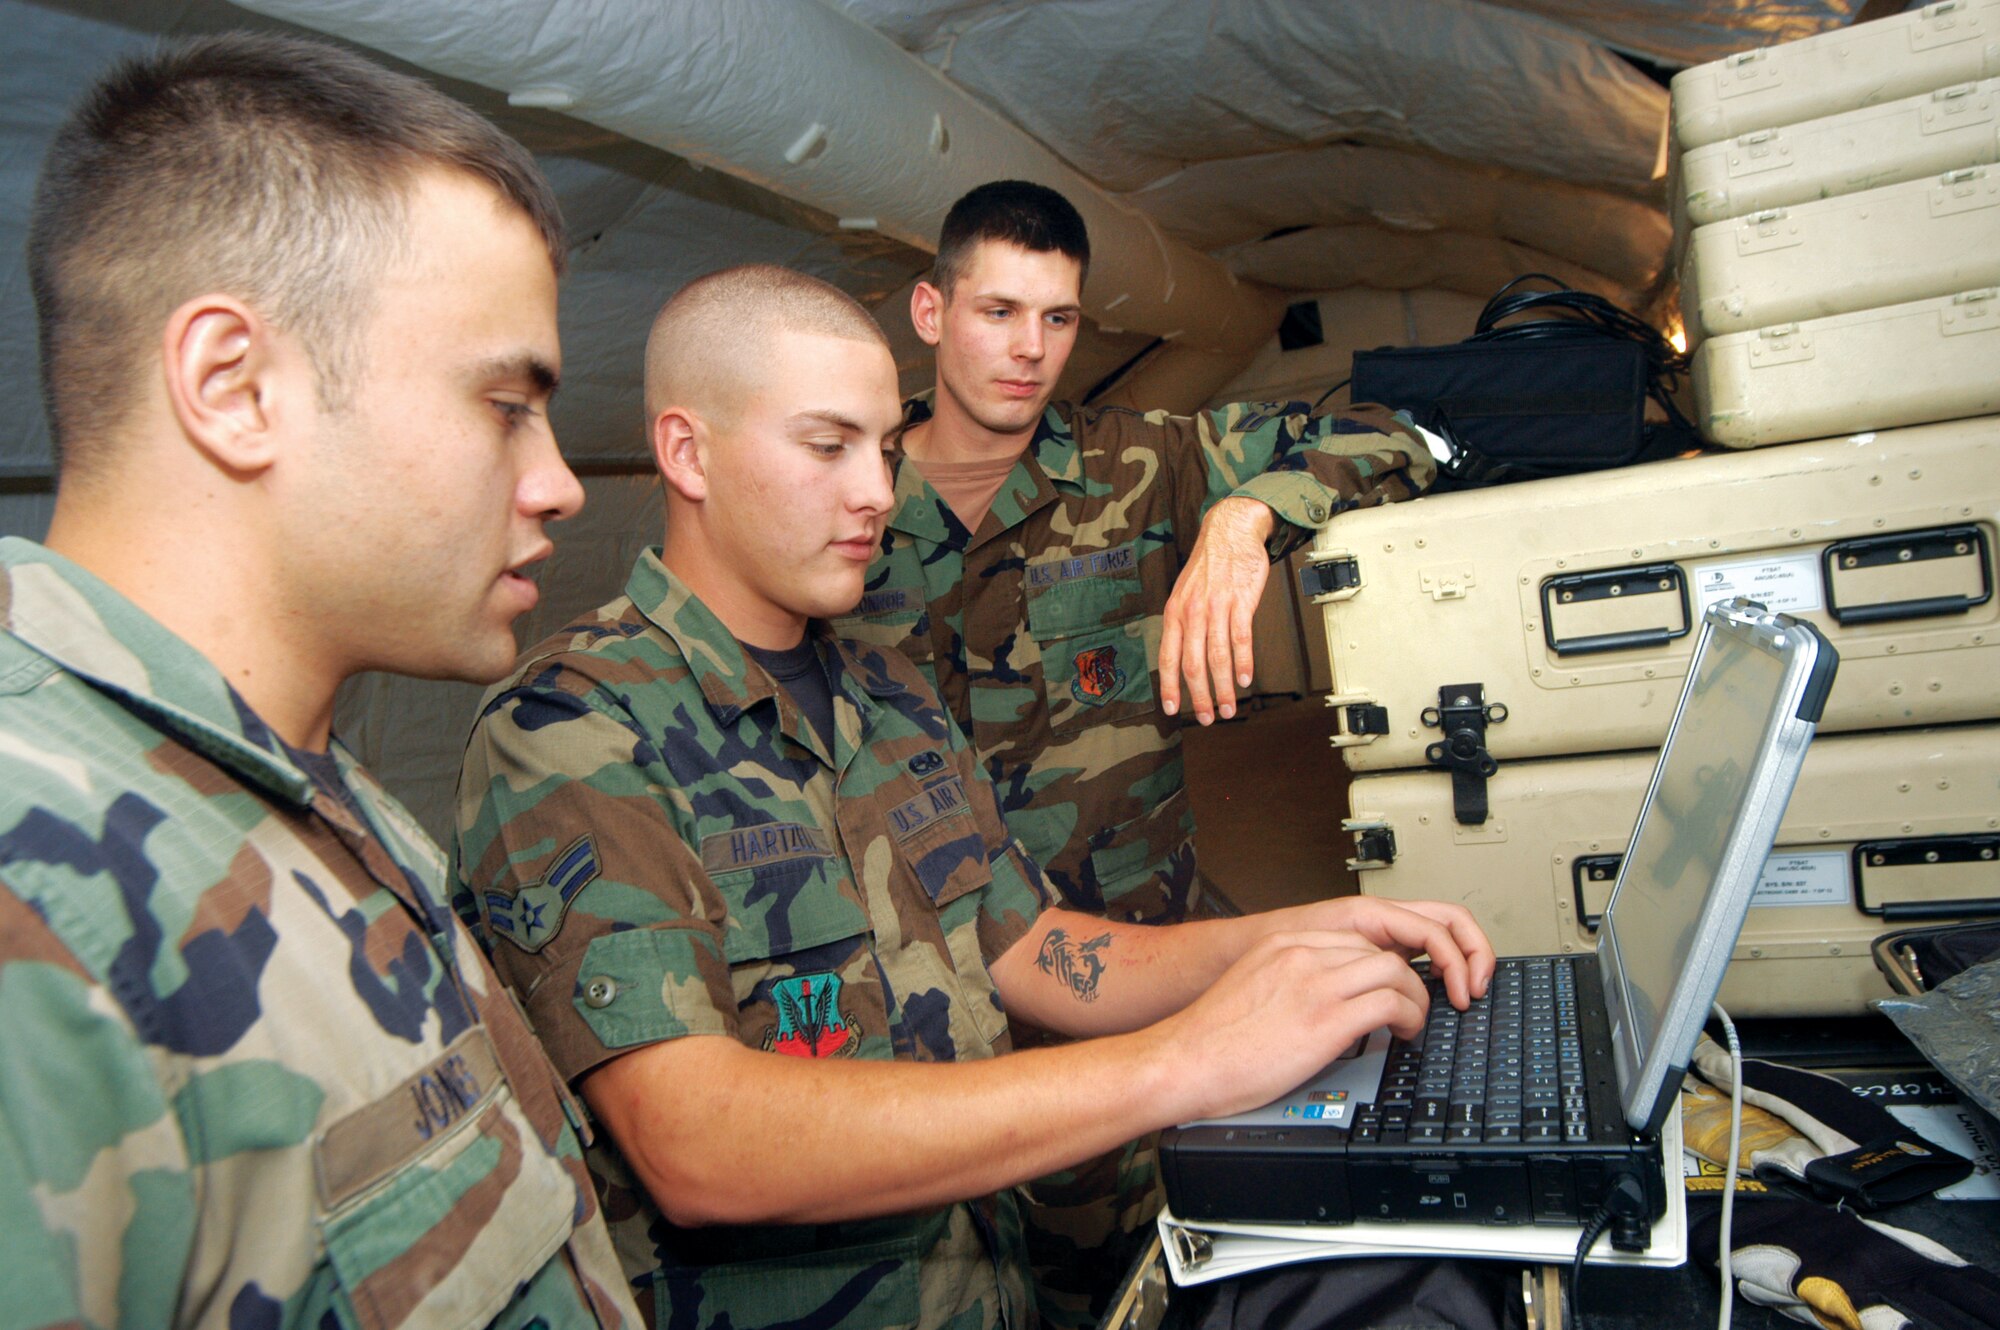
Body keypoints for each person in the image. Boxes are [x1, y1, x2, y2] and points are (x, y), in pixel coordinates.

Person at [453, 264, 1494, 1330]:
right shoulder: (569, 729)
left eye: (882, 449)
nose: (874, 491)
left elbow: (1032, 949)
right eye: (827, 447)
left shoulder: (885, 688)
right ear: (686, 453)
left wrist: (1289, 938)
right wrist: (1188, 1060)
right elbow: (696, 1143)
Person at [0, 33, 639, 1326]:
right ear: (235, 388)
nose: (562, 480)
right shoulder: (42, 912)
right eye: (506, 402)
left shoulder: (309, 791)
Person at [831, 179, 1440, 1320]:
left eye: (1056, 320)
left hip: (1134, 973)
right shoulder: (842, 510)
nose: (1028, 351)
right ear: (928, 313)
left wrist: (1239, 519)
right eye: (996, 312)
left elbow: (1396, 436)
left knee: (1136, 1277)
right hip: (931, 1015)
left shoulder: (1143, 465)